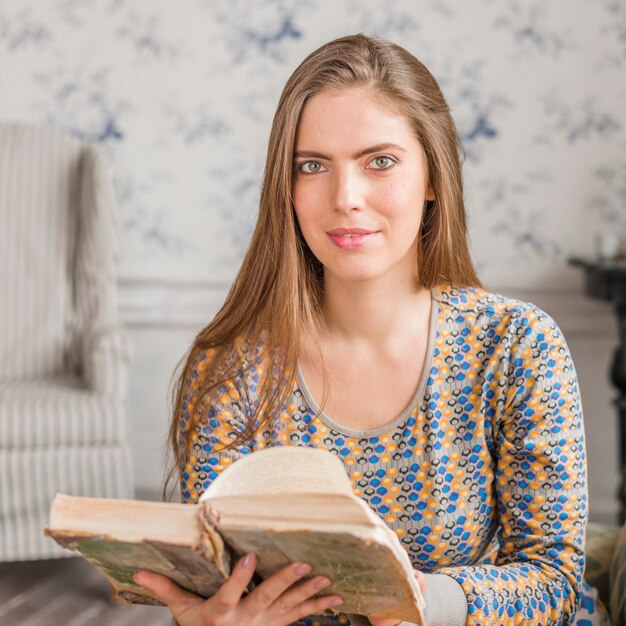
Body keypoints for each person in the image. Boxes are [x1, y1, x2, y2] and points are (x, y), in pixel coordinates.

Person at [133, 34, 610, 626]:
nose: (346, 198)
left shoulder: (517, 345)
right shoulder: (228, 369)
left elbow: (555, 580)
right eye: (313, 166)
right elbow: (216, 585)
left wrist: (423, 603)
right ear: (286, 186)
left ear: (434, 177)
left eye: (379, 161)